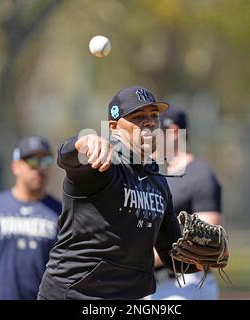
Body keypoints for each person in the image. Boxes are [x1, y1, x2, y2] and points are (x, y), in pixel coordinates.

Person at [37, 86, 200, 300]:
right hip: (73, 294)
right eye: (138, 117)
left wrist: (204, 258)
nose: (149, 122)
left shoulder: (158, 183)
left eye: (154, 116)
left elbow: (175, 259)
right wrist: (85, 142)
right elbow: (67, 157)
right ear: (114, 127)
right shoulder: (102, 165)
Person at [0, 135, 62, 300]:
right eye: (31, 160)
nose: (38, 167)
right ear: (15, 167)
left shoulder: (61, 213)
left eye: (45, 160)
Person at [148, 105, 223, 300]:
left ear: (173, 132)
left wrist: (140, 259)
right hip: (155, 285)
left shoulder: (200, 176)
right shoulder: (155, 174)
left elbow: (204, 241)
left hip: (188, 285)